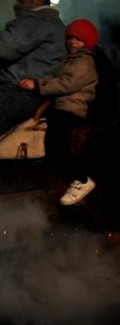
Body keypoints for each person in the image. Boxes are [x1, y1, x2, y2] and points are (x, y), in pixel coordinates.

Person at [18, 19, 99, 206]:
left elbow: (66, 84)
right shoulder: (69, 60)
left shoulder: (84, 62)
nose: (72, 42)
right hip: (61, 109)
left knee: (58, 146)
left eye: (78, 39)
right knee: (51, 147)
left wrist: (37, 84)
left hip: (71, 111)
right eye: (70, 38)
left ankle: (82, 180)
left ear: (87, 42)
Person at [0, 0, 66, 135]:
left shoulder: (38, 20)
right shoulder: (56, 24)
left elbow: (4, 46)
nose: (16, 5)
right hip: (32, 95)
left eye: (21, 0)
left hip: (16, 92)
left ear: (37, 0)